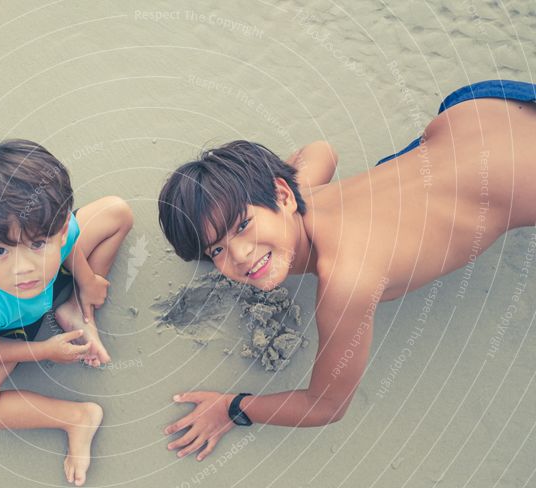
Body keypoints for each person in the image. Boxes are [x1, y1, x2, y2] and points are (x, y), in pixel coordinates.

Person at [157, 80, 536, 461]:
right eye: (217, 248)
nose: (238, 256)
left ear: (283, 196)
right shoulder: (300, 192)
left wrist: (231, 407)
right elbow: (321, 151)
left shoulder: (347, 282)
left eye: (242, 225)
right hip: (478, 110)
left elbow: (325, 406)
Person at [0, 139, 133, 485]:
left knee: (117, 212)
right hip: (10, 326)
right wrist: (44, 351)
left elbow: (71, 243)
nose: (23, 269)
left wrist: (87, 280)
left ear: (58, 229)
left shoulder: (60, 232)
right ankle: (75, 418)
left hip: (58, 275)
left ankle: (72, 305)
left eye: (36, 244)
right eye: (0, 250)